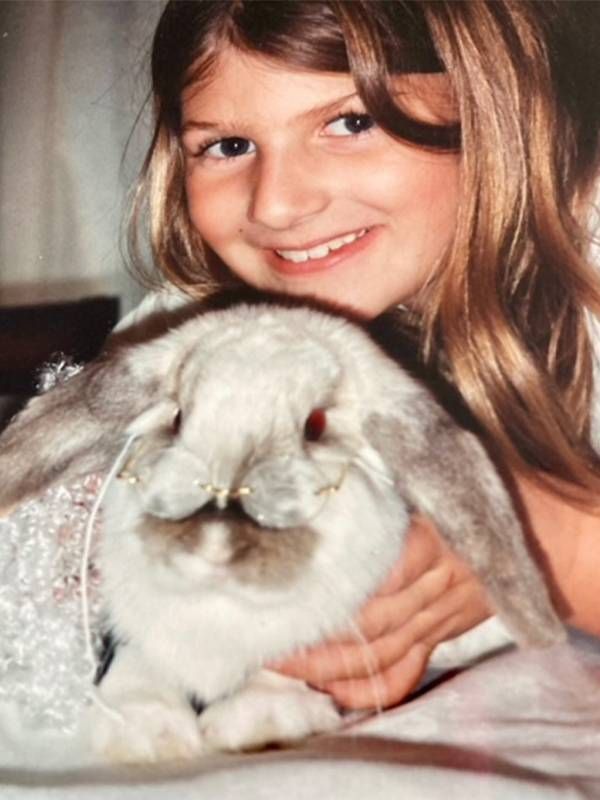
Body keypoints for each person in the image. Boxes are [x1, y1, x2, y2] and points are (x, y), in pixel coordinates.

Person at [128, 0, 600, 711]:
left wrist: (539, 545)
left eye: (351, 122)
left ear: (495, 106)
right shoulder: (201, 327)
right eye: (227, 146)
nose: (278, 206)